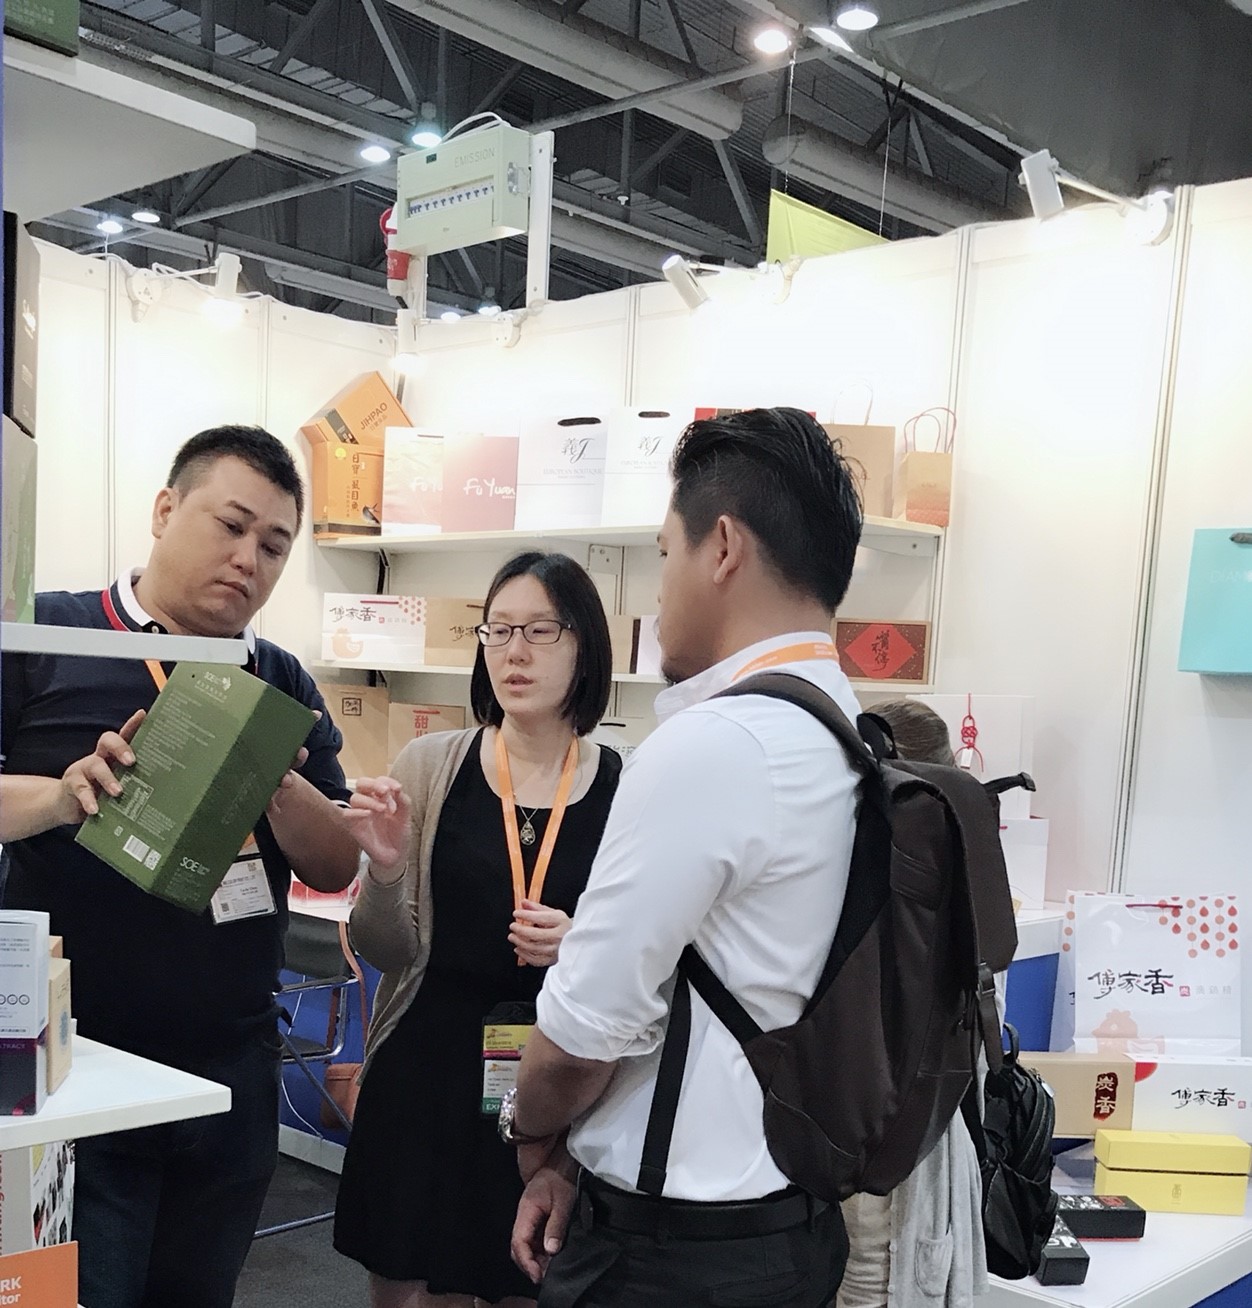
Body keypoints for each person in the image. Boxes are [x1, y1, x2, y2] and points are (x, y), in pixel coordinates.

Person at [505, 407, 865, 1307]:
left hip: (670, 1258)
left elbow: (583, 1030)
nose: (658, 590)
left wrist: (531, 1130)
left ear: (724, 548)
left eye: (666, 552)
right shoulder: (849, 731)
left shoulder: (716, 744)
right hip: (791, 1225)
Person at [0, 425, 361, 1308]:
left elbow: (336, 858)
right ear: (165, 510)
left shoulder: (279, 679)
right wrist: (59, 797)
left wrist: (281, 785)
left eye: (274, 545)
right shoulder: (42, 631)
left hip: (232, 1066)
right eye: (231, 526)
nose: (249, 560)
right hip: (74, 1065)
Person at [334, 551, 624, 1308]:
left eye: (540, 630)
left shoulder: (624, 788)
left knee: (523, 1280)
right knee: (406, 1286)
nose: (514, 652)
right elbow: (385, 950)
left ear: (585, 645)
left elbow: (644, 957)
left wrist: (580, 944)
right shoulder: (430, 765)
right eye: (498, 630)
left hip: (547, 1082)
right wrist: (387, 871)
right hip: (424, 1071)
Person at [836, 696, 989, 1308]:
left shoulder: (854, 864)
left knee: (867, 1270)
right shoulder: (958, 868)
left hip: (853, 1145)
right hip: (917, 1144)